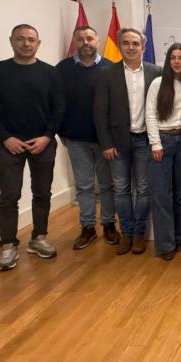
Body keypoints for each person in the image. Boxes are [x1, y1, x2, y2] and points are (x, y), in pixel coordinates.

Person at [0, 24, 64, 271]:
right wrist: (5, 138)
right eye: (21, 39)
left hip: (43, 143)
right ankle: (8, 244)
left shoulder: (50, 73)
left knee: (42, 193)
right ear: (12, 41)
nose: (26, 43)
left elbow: (59, 108)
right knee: (9, 195)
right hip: (9, 145)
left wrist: (47, 137)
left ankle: (39, 237)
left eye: (31, 39)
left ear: (38, 43)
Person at [93, 28, 162, 256]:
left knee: (143, 189)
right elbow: (100, 112)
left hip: (145, 140)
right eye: (126, 43)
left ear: (143, 47)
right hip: (117, 143)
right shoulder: (106, 73)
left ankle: (139, 233)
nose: (131, 47)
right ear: (120, 45)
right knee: (121, 189)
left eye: (135, 43)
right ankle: (127, 233)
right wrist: (106, 143)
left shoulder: (156, 72)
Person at [56, 25, 119, 250]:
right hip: (76, 139)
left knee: (107, 185)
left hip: (105, 141)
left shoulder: (111, 68)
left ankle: (109, 224)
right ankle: (88, 227)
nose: (86, 43)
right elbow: (56, 103)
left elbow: (117, 105)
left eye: (90, 38)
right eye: (80, 39)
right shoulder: (62, 69)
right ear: (75, 41)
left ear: (97, 40)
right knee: (83, 186)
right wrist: (61, 131)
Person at [146, 43, 181, 261]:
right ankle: (165, 244)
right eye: (173, 57)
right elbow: (150, 114)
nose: (177, 61)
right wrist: (155, 143)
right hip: (163, 141)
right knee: (161, 194)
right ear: (168, 61)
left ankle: (180, 238)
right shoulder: (157, 83)